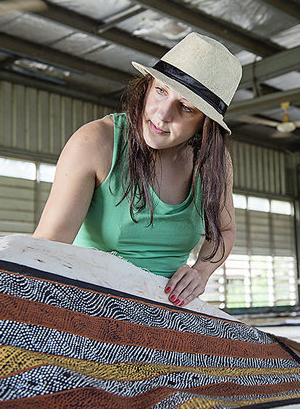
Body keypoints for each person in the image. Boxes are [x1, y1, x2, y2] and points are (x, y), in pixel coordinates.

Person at [33, 32, 242, 308]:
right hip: (91, 303)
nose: (162, 114)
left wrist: (201, 270)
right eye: (160, 91)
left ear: (205, 125)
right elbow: (48, 248)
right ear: (147, 85)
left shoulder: (214, 163)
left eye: (185, 107)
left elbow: (224, 231)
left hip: (170, 311)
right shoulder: (96, 142)